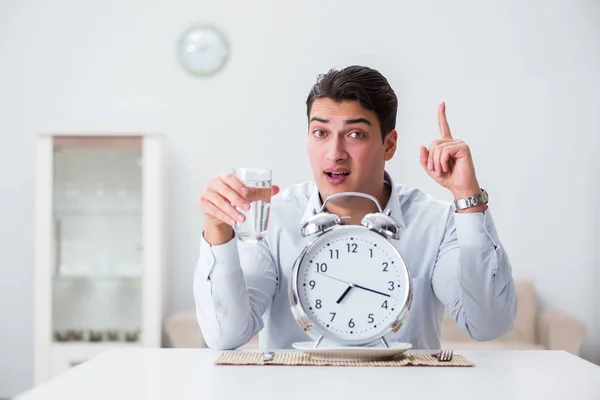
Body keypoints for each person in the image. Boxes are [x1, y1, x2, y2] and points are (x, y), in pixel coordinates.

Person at [194, 65, 517, 350]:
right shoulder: (275, 217)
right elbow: (226, 336)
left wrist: (468, 198)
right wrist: (218, 229)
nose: (334, 153)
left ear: (388, 145)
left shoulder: (436, 221)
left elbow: (487, 325)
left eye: (355, 134)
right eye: (320, 132)